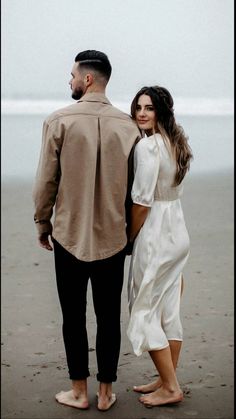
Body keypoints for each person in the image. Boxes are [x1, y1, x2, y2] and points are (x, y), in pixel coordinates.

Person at [33, 50, 140, 411]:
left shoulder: (58, 120)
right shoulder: (129, 126)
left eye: (73, 74)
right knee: (110, 316)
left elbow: (46, 179)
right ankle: (107, 393)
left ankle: (79, 391)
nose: (70, 80)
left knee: (73, 316)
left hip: (69, 234)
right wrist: (130, 234)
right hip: (114, 235)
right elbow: (135, 189)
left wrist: (42, 221)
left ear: (88, 79)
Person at [126, 86, 193, 407]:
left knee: (143, 309)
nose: (141, 113)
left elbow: (141, 201)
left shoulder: (148, 147)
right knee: (168, 309)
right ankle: (169, 379)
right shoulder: (177, 144)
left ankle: (170, 388)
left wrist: (128, 237)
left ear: (161, 111)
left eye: (149, 108)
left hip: (155, 235)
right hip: (178, 231)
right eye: (138, 107)